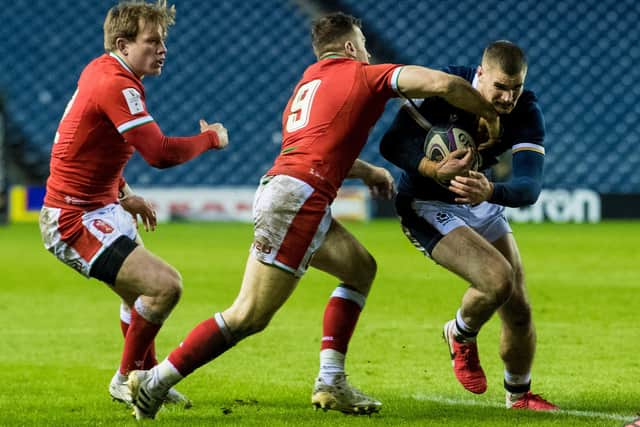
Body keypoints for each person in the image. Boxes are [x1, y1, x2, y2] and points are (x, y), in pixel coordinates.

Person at [125, 11, 500, 420]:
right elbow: (444, 85)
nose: (370, 53)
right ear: (351, 48)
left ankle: (331, 382)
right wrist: (490, 113)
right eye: (365, 46)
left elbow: (315, 148)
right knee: (249, 315)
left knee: (360, 269)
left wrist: (369, 171)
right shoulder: (363, 74)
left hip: (288, 191)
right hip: (298, 199)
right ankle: (154, 381)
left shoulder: (308, 83)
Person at [38, 0, 228, 410]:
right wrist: (211, 138)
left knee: (138, 298)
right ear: (123, 44)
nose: (163, 50)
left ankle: (145, 374)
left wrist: (124, 194)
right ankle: (127, 380)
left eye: (163, 41)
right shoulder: (117, 84)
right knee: (164, 287)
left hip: (102, 207)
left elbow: (90, 145)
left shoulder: (104, 70)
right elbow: (159, 153)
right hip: (74, 218)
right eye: (153, 41)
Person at [380, 40, 558, 411]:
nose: (508, 97)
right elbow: (392, 143)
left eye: (516, 87)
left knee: (519, 307)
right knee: (497, 279)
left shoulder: (526, 112)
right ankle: (459, 333)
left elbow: (529, 187)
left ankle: (519, 396)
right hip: (426, 204)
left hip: (480, 200)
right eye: (500, 87)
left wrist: (491, 189)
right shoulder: (445, 89)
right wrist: (432, 168)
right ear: (480, 75)